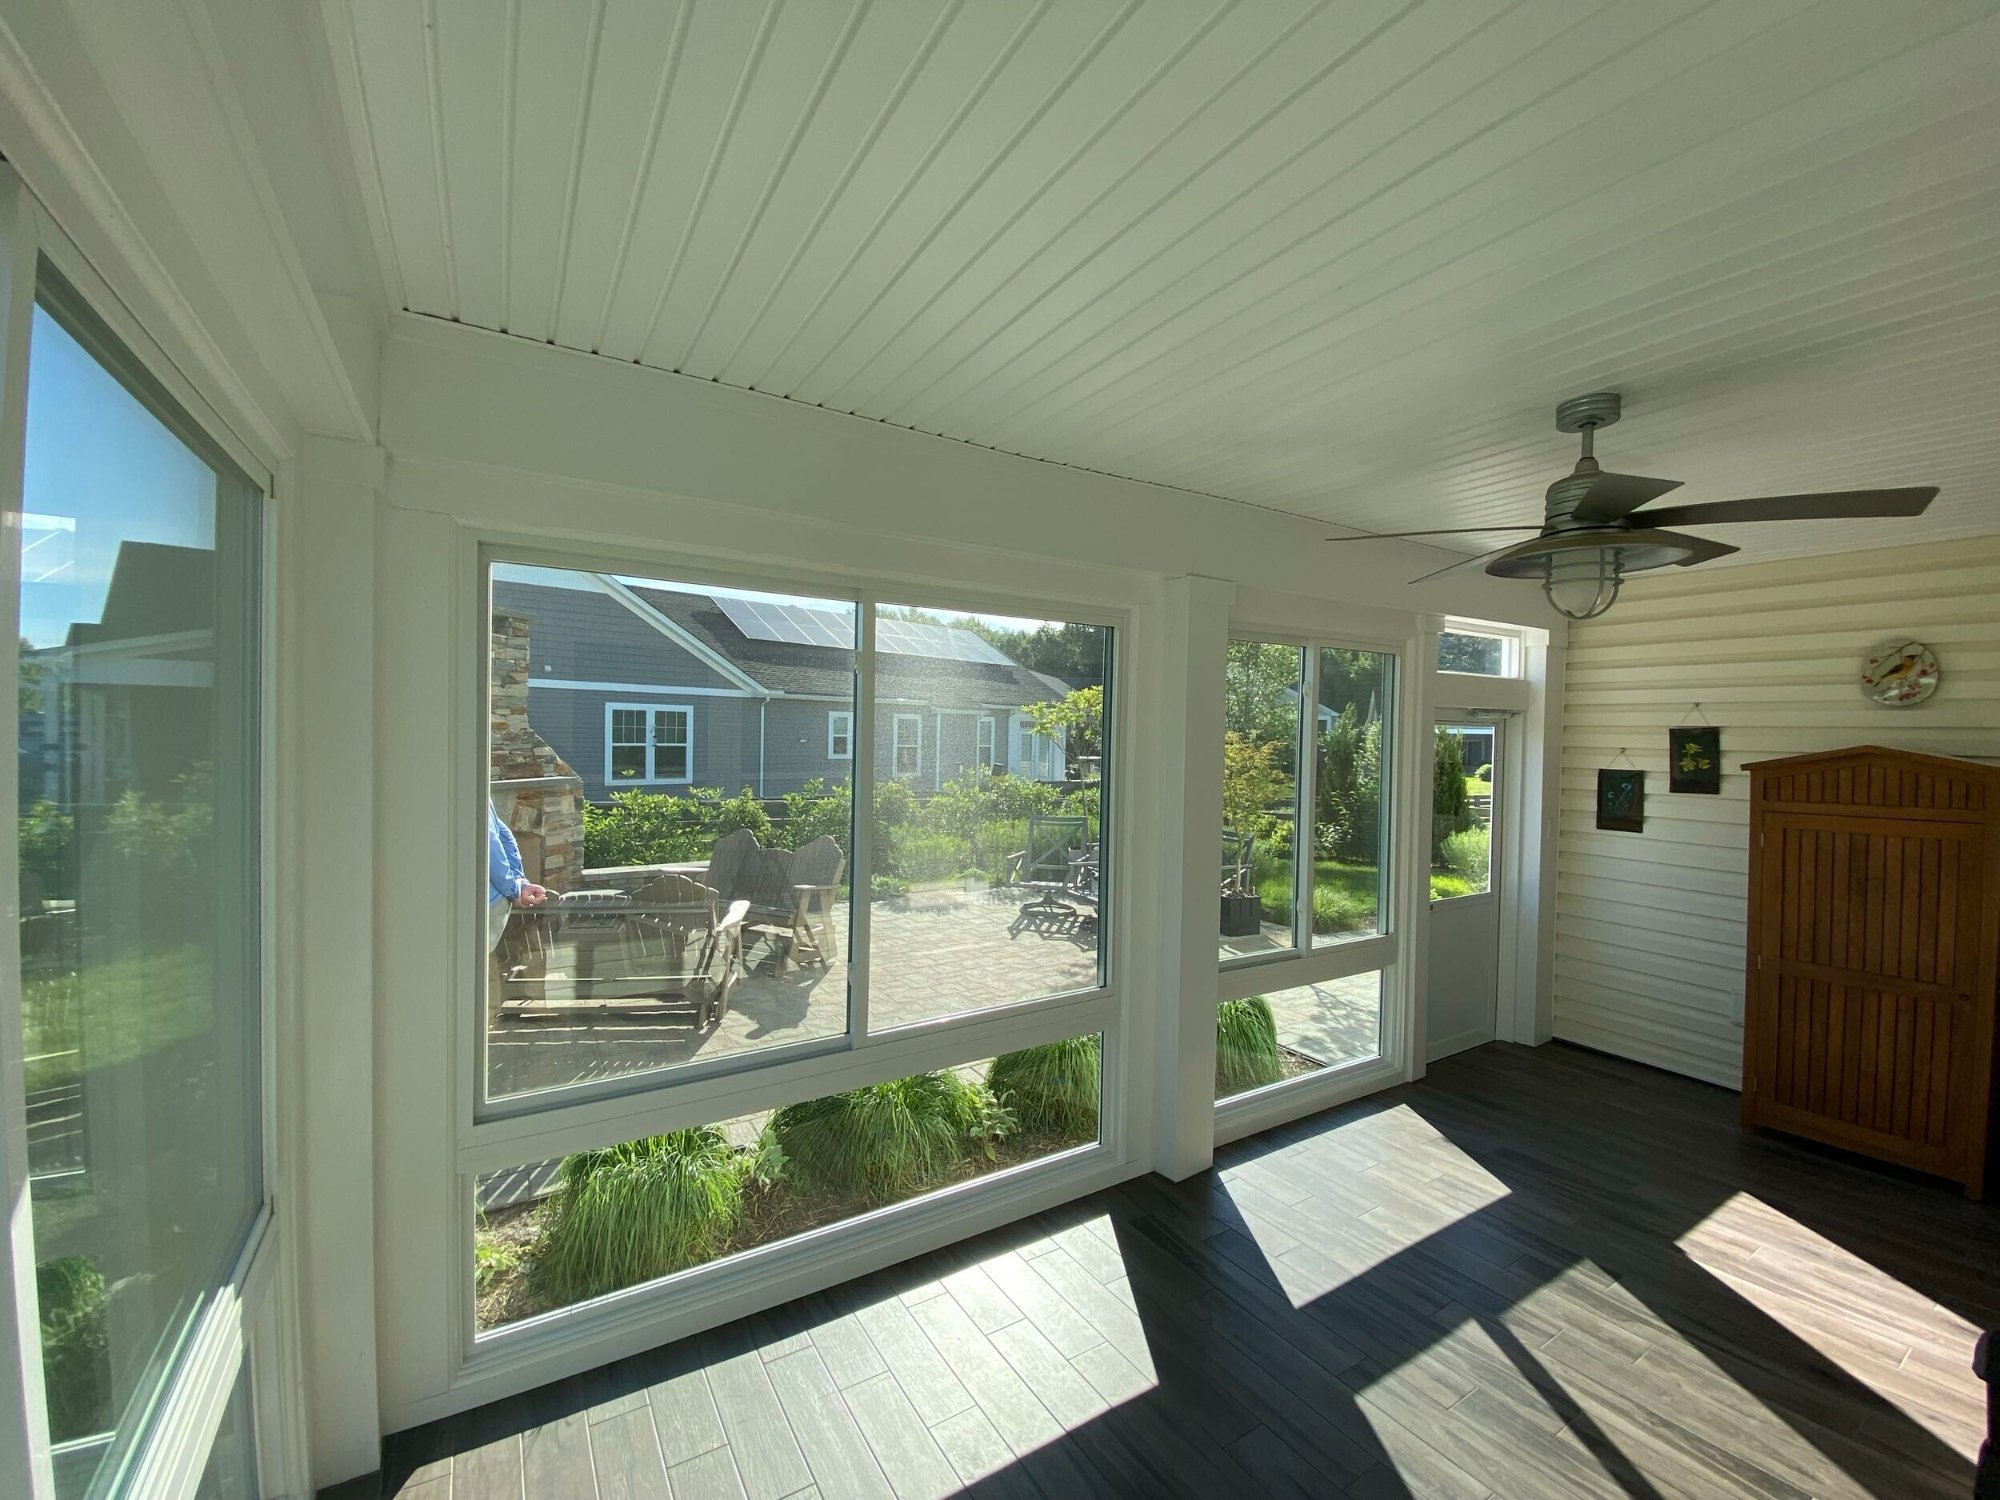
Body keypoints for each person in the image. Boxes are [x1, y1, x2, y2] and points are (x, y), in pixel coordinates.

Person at [488, 802, 548, 955]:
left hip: (484, 906)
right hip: (487, 904)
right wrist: (516, 886)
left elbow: (497, 837)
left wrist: (517, 885)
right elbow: (496, 838)